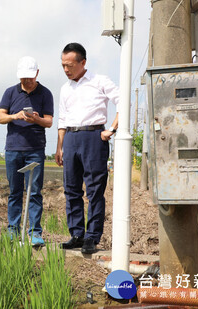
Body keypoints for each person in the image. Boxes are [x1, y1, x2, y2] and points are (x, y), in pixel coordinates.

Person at [55, 43, 119, 254]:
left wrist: (111, 129)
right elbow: (62, 118)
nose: (66, 70)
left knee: (94, 190)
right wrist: (60, 146)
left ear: (83, 62)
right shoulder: (65, 88)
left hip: (94, 136)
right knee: (71, 189)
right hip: (71, 138)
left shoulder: (100, 81)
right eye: (63, 65)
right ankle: (76, 234)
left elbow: (122, 102)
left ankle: (92, 236)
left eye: (70, 65)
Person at [0, 56, 54, 247]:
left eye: (29, 77)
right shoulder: (10, 92)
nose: (26, 81)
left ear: (37, 74)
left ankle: (35, 232)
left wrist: (35, 119)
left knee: (35, 192)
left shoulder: (45, 94)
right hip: (13, 149)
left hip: (35, 149)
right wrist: (15, 116)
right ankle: (12, 230)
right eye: (23, 78)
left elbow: (49, 122)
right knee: (14, 191)